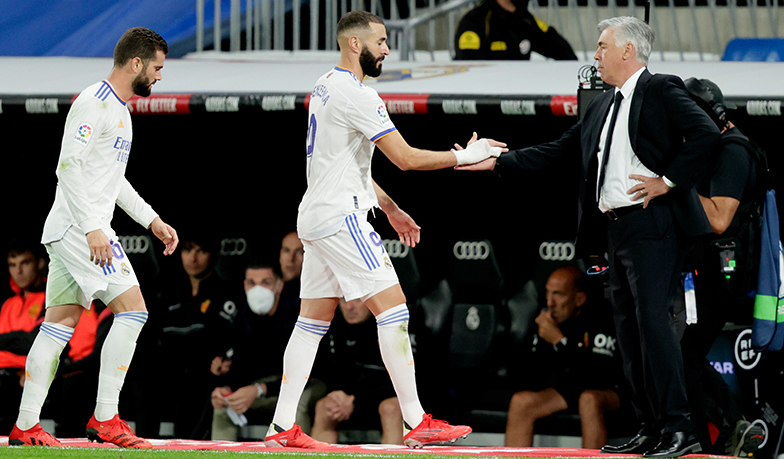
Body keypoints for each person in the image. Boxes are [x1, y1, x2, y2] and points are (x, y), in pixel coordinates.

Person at [456, 16, 720, 458]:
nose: (595, 55)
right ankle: (650, 426)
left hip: (652, 223)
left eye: (601, 46)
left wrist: (668, 181)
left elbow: (706, 134)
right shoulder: (600, 104)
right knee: (629, 333)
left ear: (627, 52)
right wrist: (499, 162)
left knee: (654, 325)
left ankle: (680, 427)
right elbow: (560, 150)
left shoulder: (661, 89)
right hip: (615, 230)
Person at [263, 10, 506, 449]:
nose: (388, 50)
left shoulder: (324, 86)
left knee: (311, 322)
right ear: (355, 44)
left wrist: (390, 208)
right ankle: (417, 421)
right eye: (381, 41)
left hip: (317, 214)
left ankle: (281, 427)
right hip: (341, 217)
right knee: (393, 310)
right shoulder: (360, 96)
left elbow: (349, 164)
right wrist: (469, 156)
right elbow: (406, 159)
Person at [8, 27, 178, 448]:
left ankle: (25, 426)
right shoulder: (94, 103)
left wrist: (151, 220)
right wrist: (92, 229)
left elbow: (113, 181)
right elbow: (68, 168)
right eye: (157, 68)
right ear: (135, 63)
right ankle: (106, 418)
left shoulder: (120, 111)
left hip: (74, 230)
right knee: (134, 311)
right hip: (78, 231)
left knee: (57, 327)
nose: (159, 77)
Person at [679, 77, 765, 457]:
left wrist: (672, 183)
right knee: (683, 356)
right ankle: (725, 429)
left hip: (725, 273)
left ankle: (725, 429)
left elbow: (719, 218)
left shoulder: (733, 151)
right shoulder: (714, 146)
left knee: (684, 355)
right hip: (706, 269)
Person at [505, 266, 622, 449]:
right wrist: (543, 342)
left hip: (611, 390)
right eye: (548, 293)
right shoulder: (549, 321)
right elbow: (530, 377)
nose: (550, 302)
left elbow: (598, 375)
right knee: (521, 402)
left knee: (588, 399)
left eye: (558, 295)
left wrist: (560, 341)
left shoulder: (601, 317)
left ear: (579, 299)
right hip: (572, 387)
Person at [210, 260, 323, 440]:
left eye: (266, 282)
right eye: (251, 283)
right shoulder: (242, 315)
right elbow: (240, 360)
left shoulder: (298, 311)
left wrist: (260, 389)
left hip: (306, 383)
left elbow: (305, 371)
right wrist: (227, 389)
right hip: (268, 386)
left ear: (279, 286)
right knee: (224, 407)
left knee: (294, 406)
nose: (258, 290)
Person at [156, 234, 242, 439]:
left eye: (200, 251)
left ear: (213, 255)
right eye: (187, 251)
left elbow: (228, 340)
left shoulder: (226, 293)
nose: (192, 259)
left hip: (204, 376)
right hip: (170, 374)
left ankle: (190, 444)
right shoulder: (169, 292)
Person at [311, 298, 404, 445]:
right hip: (354, 399)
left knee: (391, 409)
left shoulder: (393, 325)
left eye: (357, 301)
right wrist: (336, 393)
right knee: (326, 407)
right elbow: (331, 371)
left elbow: (407, 381)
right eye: (344, 301)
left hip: (387, 396)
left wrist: (357, 400)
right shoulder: (335, 326)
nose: (349, 307)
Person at [1, 239, 47, 434]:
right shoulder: (8, 304)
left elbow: (34, 342)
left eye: (25, 263)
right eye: (12, 265)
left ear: (40, 263)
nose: (18, 271)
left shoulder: (51, 299)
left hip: (28, 376)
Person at [454, 0, 577, 60]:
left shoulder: (526, 20)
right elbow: (470, 69)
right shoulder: (474, 22)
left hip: (519, 97)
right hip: (487, 101)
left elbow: (564, 51)